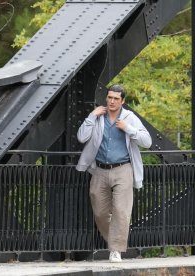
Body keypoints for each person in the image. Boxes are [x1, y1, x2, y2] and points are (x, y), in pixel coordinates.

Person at [76, 84, 152, 262]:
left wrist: (128, 129)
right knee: (100, 212)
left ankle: (116, 250)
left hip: (123, 169)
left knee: (121, 210)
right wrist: (91, 116)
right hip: (100, 169)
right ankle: (116, 238)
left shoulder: (130, 118)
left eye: (116, 98)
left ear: (122, 101)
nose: (111, 101)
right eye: (109, 97)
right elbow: (81, 137)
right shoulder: (97, 117)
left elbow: (147, 142)